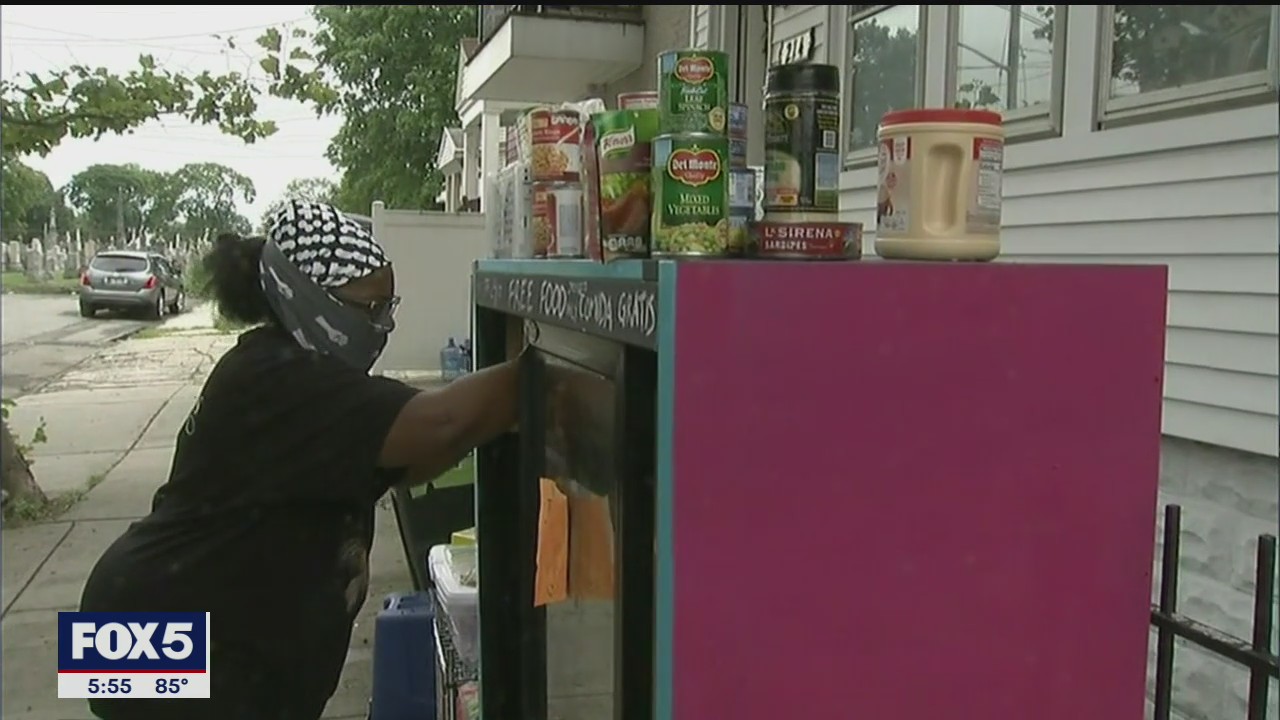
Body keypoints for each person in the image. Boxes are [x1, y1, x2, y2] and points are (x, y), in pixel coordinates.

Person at [78, 200, 521, 720]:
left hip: (162, 618)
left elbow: (419, 457)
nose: (384, 325)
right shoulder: (280, 380)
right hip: (160, 629)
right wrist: (556, 362)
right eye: (370, 309)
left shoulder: (296, 376)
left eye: (389, 307)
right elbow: (440, 424)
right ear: (311, 298)